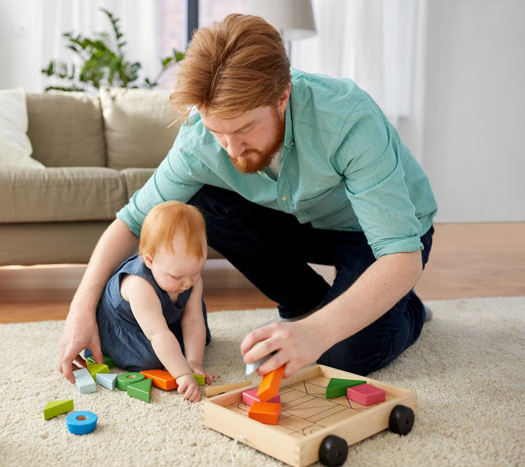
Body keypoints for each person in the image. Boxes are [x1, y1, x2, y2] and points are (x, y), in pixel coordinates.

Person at [59, 14, 437, 382]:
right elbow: (132, 222)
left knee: (340, 356)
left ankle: (409, 309)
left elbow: (401, 258)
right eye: (217, 132)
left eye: (244, 129)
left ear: (282, 95)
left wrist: (319, 331)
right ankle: (305, 303)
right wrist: (80, 311)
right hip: (298, 220)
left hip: (374, 235)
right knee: (199, 202)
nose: (232, 149)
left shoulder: (348, 119)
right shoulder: (200, 142)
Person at [92, 201, 217, 402]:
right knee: (154, 358)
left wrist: (193, 362)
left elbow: (193, 320)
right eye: (177, 276)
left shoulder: (189, 278)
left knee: (197, 329)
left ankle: (179, 347)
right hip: (127, 325)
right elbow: (157, 333)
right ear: (150, 261)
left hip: (162, 316)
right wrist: (183, 374)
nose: (187, 282)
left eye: (196, 272)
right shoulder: (138, 284)